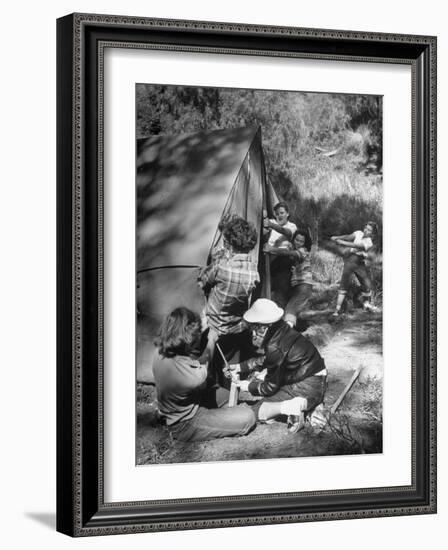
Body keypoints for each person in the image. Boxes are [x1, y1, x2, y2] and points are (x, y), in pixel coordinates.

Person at [152, 307, 256, 442]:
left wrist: (205, 321)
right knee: (247, 417)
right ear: (187, 341)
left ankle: (220, 416)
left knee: (226, 397)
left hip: (191, 398)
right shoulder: (185, 376)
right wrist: (211, 340)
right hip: (186, 422)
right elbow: (204, 361)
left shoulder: (161, 349)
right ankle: (211, 422)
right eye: (194, 340)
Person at [227, 299, 327, 433]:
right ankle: (311, 404)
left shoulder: (275, 346)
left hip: (306, 385)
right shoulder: (283, 330)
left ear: (264, 327)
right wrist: (242, 367)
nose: (253, 332)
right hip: (315, 378)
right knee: (267, 393)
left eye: (254, 328)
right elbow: (270, 359)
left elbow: (269, 388)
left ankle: (293, 406)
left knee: (253, 412)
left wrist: (247, 386)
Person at [197, 214, 259, 377]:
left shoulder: (221, 268)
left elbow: (203, 280)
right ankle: (231, 392)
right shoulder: (254, 272)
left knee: (208, 368)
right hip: (235, 327)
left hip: (212, 325)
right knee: (229, 369)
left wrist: (204, 270)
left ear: (229, 246)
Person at [264, 228, 313, 328]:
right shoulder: (294, 251)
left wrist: (272, 249)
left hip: (303, 286)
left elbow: (290, 253)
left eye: (301, 241)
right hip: (298, 286)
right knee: (289, 309)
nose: (298, 243)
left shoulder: (303, 251)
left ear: (305, 243)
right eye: (296, 240)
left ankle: (286, 335)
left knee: (291, 310)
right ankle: (287, 333)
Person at [331, 222, 379, 317]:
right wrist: (337, 237)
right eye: (366, 227)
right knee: (344, 283)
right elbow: (347, 236)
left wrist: (340, 242)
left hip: (359, 262)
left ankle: (367, 304)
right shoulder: (358, 233)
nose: (366, 230)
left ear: (372, 234)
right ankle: (337, 310)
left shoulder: (369, 242)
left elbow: (355, 246)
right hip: (350, 260)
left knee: (366, 283)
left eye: (369, 230)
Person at [263, 201, 297, 307]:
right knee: (267, 290)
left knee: (281, 291)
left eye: (282, 213)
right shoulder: (271, 221)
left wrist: (272, 225)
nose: (279, 216)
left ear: (287, 214)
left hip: (283, 261)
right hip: (269, 260)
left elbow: (287, 232)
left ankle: (282, 317)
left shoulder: (292, 226)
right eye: (277, 214)